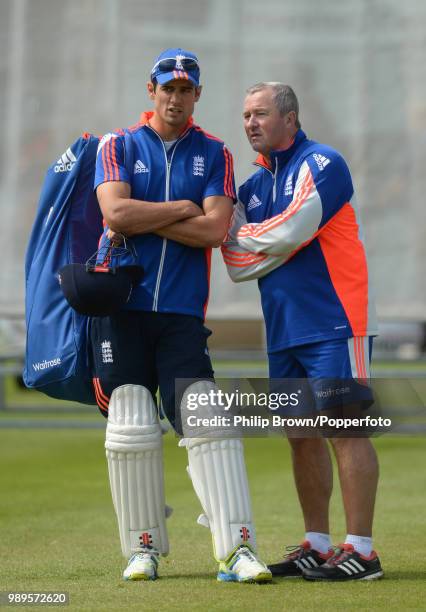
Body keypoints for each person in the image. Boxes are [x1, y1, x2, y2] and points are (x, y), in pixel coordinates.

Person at [90, 49, 271, 583]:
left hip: (181, 314)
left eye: (185, 89)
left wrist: (146, 217)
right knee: (129, 423)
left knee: (208, 418)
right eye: (166, 88)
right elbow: (114, 213)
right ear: (151, 91)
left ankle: (236, 550)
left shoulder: (214, 153)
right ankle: (142, 549)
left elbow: (215, 232)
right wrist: (183, 208)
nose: (175, 97)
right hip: (121, 309)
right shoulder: (117, 145)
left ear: (197, 94)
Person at [222, 82, 383, 581]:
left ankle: (362, 551)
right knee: (299, 435)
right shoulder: (249, 188)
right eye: (246, 115)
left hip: (337, 320)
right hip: (285, 331)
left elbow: (295, 229)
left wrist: (259, 239)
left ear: (290, 118)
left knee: (345, 429)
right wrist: (266, 242)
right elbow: (233, 262)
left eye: (261, 114)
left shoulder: (323, 163)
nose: (250, 123)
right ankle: (315, 544)